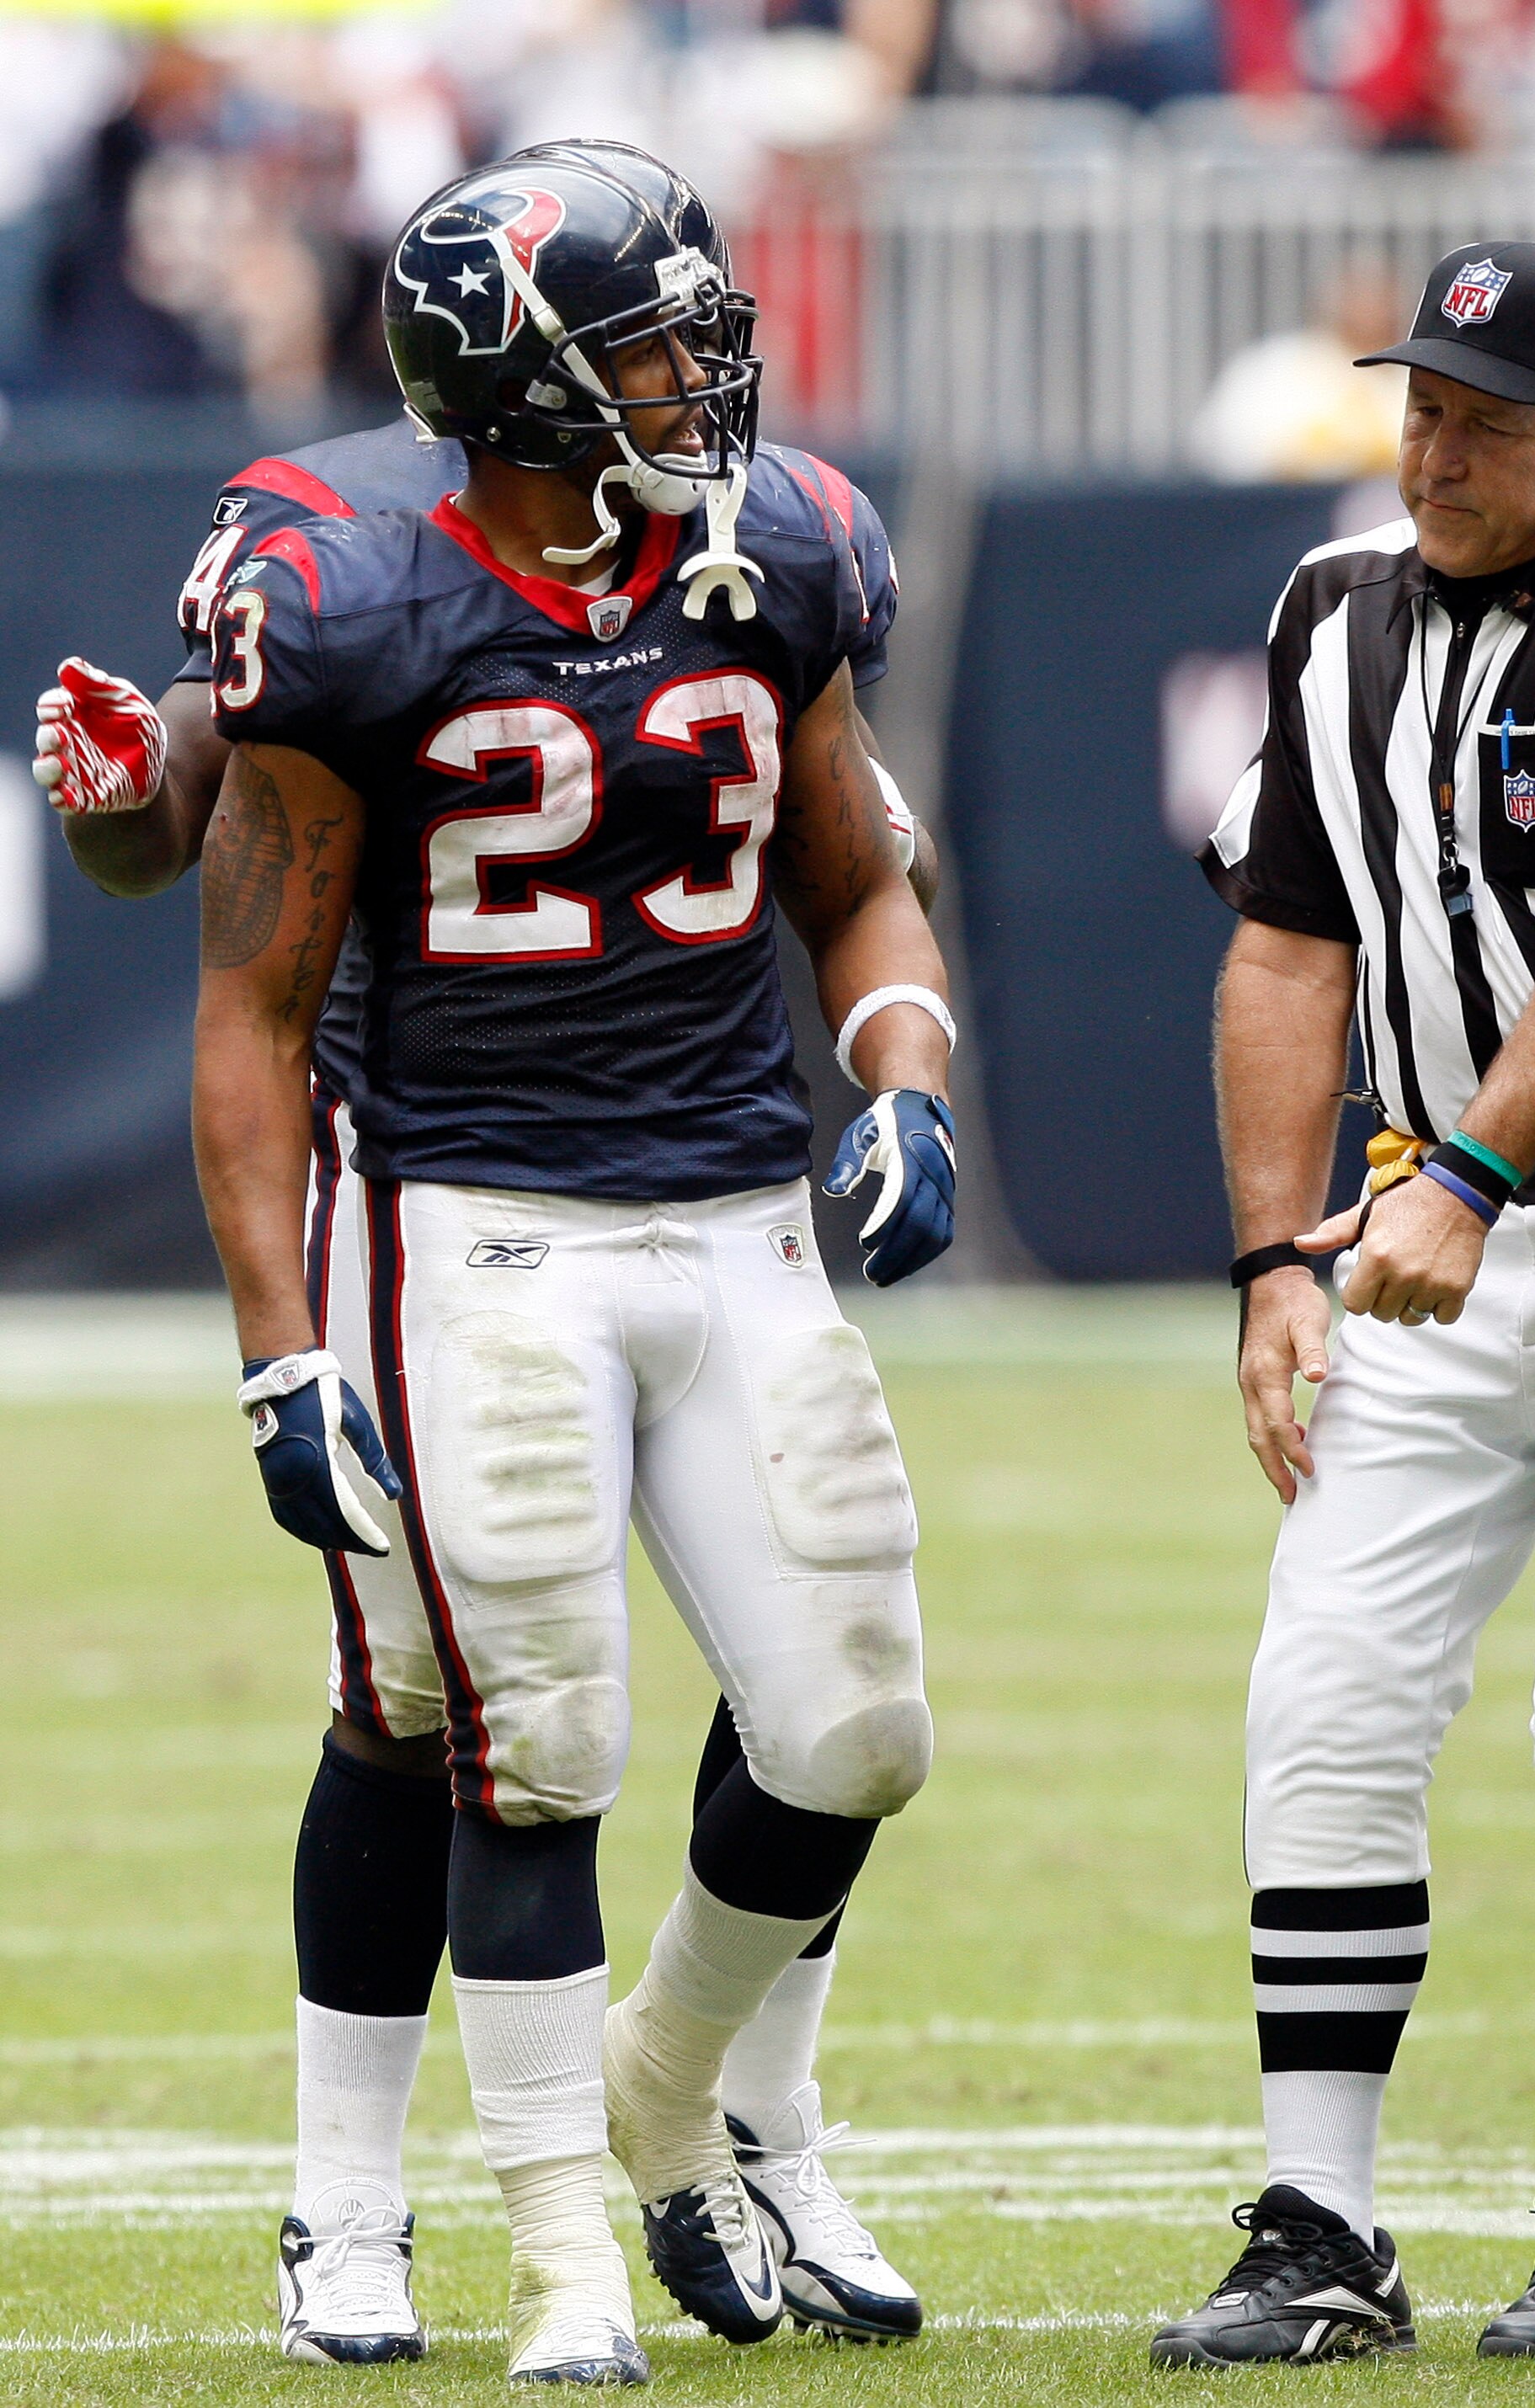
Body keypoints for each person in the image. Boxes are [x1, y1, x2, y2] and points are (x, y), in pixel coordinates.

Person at [35, 144, 935, 2373]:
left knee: (848, 1721)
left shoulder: (784, 545)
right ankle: (373, 2206)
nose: (702, 369)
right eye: (651, 336)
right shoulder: (350, 586)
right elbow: (221, 948)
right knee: (453, 1709)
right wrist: (275, 1348)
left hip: (724, 1195)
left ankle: (717, 2103)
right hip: (452, 1201)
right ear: (517, 381)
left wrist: (904, 1072)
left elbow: (858, 872)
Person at [1152, 242, 1535, 2368]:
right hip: (1422, 1231)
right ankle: (1321, 2219)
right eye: (1421, 405)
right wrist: (1267, 1261)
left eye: (1492, 419)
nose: (1437, 449)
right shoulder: (1330, 611)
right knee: (1316, 1711)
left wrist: (1483, 1169)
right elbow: (1283, 945)